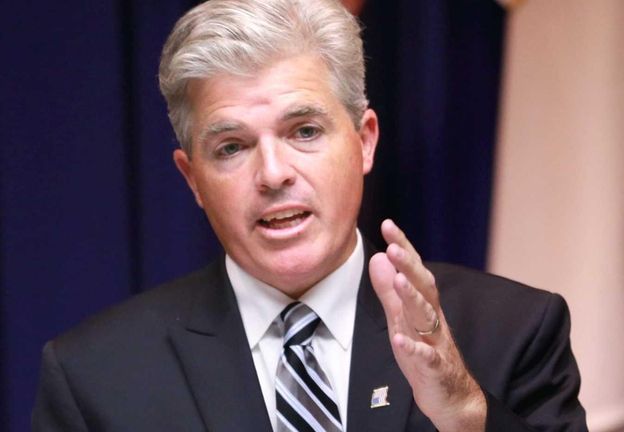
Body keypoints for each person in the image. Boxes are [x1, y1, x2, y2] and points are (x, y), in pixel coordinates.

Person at [32, 0, 587, 430]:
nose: (273, 174)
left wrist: (466, 414)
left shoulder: (510, 332)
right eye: (231, 147)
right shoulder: (95, 377)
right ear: (191, 178)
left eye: (305, 131)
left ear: (365, 141)